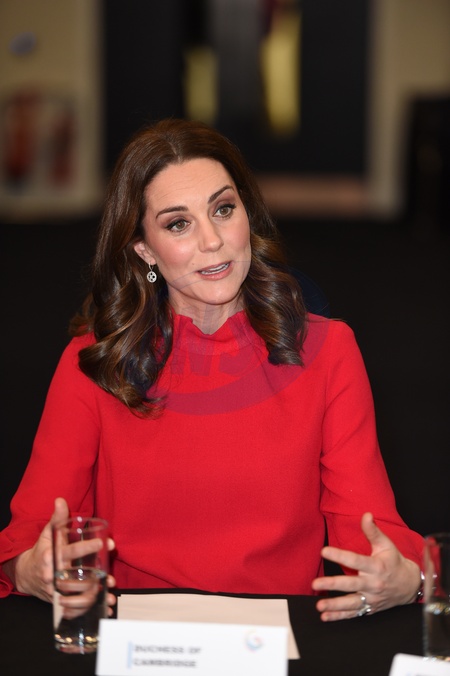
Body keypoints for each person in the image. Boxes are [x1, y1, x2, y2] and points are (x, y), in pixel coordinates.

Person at [0, 118, 424, 622]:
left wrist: (407, 578)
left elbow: (372, 536)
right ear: (143, 249)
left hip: (276, 638)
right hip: (138, 639)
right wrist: (30, 568)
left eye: (223, 210)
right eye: (178, 224)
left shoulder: (327, 350)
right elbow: (31, 538)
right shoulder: (93, 360)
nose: (213, 241)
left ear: (248, 216)